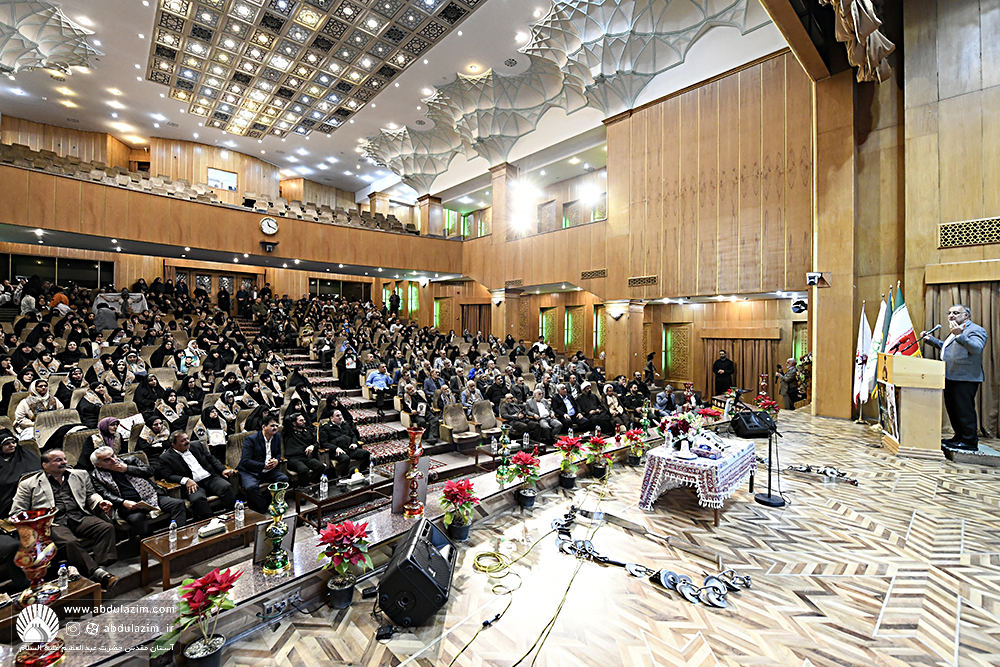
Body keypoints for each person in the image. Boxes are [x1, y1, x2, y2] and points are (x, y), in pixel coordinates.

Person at [11, 449, 119, 590]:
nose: (64, 462)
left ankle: (100, 570)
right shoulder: (29, 484)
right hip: (54, 522)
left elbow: (90, 494)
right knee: (69, 542)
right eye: (58, 460)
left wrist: (99, 502)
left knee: (105, 528)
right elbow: (17, 512)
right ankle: (99, 574)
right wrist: (41, 521)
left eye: (64, 459)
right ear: (45, 465)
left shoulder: (80, 475)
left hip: (78, 516)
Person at [923, 304, 989, 450]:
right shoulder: (955, 331)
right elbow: (949, 349)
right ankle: (959, 437)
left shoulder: (976, 330)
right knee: (954, 410)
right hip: (950, 376)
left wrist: (959, 335)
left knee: (964, 411)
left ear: (966, 315)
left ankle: (969, 442)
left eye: (956, 313)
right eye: (950, 313)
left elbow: (976, 349)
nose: (951, 315)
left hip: (965, 378)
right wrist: (931, 340)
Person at [90, 446, 187, 538]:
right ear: (98, 464)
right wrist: (123, 502)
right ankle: (152, 543)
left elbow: (150, 471)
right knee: (137, 518)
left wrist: (127, 469)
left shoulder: (131, 460)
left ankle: (180, 537)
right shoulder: (96, 476)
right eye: (107, 460)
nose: (113, 460)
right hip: (127, 505)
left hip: (150, 495)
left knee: (178, 504)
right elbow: (105, 494)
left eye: (113, 456)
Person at [158, 431, 236, 520]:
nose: (187, 442)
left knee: (226, 487)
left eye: (187, 438)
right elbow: (168, 476)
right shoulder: (165, 458)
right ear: (174, 445)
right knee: (197, 499)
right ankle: (211, 521)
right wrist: (186, 480)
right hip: (193, 484)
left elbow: (211, 459)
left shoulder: (197, 445)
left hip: (210, 478)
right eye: (183, 441)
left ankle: (232, 515)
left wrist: (223, 469)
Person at [238, 415, 291, 512]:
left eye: (276, 425)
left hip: (268, 470)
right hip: (250, 471)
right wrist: (263, 466)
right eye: (272, 426)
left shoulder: (276, 436)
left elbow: (278, 454)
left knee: (284, 480)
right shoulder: (251, 440)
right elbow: (245, 461)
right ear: (264, 427)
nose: (275, 428)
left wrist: (276, 460)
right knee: (251, 487)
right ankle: (263, 507)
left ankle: (270, 502)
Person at [319, 409, 371, 477]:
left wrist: (354, 443)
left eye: (341, 415)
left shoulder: (345, 424)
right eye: (337, 416)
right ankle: (344, 477)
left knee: (366, 453)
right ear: (331, 418)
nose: (340, 417)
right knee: (345, 459)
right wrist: (335, 448)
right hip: (337, 451)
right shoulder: (326, 428)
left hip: (349, 449)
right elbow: (324, 443)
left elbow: (353, 435)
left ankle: (361, 473)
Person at [283, 412, 328, 485]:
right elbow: (286, 420)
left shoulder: (308, 431)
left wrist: (312, 446)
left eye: (304, 420)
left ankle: (311, 483)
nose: (304, 422)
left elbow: (316, 443)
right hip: (294, 458)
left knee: (321, 466)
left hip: (306, 457)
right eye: (301, 420)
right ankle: (304, 488)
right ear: (294, 423)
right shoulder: (290, 432)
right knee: (304, 470)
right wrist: (295, 414)